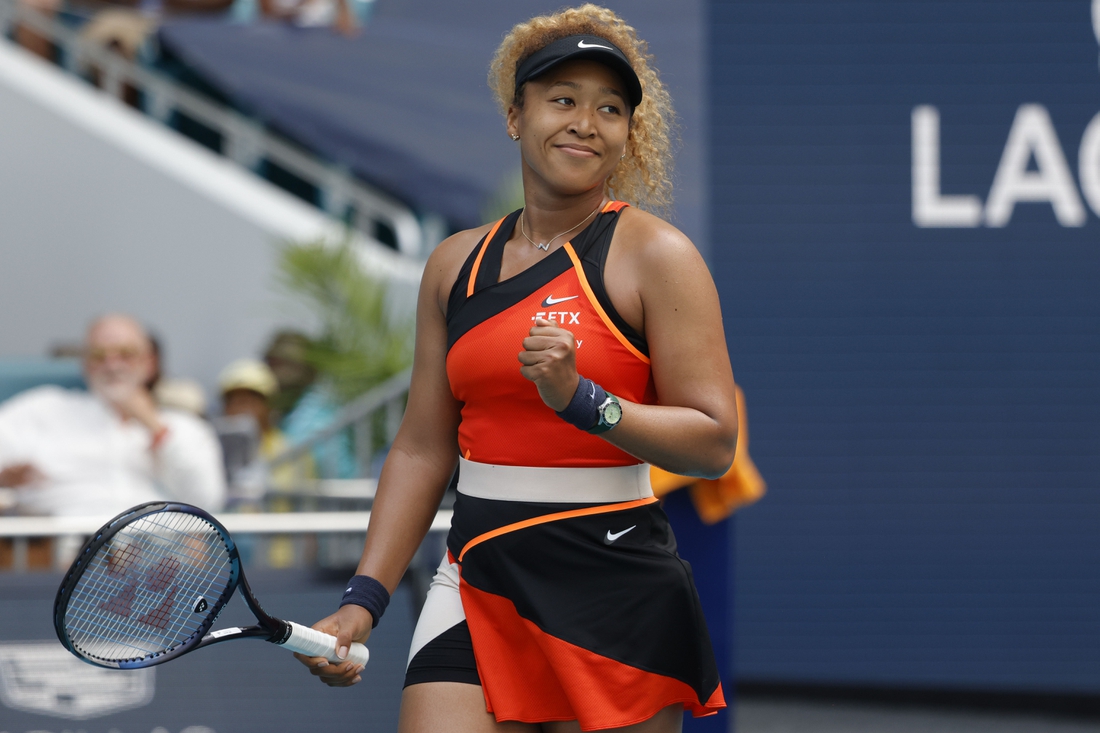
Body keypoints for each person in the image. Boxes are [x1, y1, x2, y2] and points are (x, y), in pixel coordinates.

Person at [295, 6, 738, 732]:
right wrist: (363, 600)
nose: (585, 123)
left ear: (628, 132)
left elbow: (715, 441)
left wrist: (583, 400)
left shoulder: (658, 255)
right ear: (515, 116)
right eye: (562, 100)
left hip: (616, 584)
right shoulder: (454, 264)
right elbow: (422, 447)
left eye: (610, 109)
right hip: (478, 575)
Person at [0, 314, 226, 517]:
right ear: (85, 364)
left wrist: (155, 428)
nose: (112, 365)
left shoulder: (184, 427)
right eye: (99, 355)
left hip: (156, 544)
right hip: (67, 543)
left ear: (149, 363)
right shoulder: (43, 409)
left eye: (126, 354)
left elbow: (206, 501)